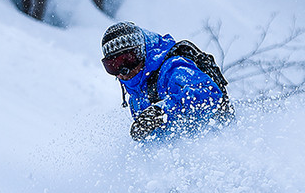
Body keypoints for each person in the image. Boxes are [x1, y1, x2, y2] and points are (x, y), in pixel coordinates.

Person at [100, 21, 233, 141]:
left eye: (128, 60)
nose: (123, 71)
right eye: (113, 65)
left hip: (214, 148)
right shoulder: (135, 97)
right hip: (178, 160)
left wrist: (161, 111)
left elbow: (211, 95)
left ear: (142, 51)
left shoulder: (174, 70)